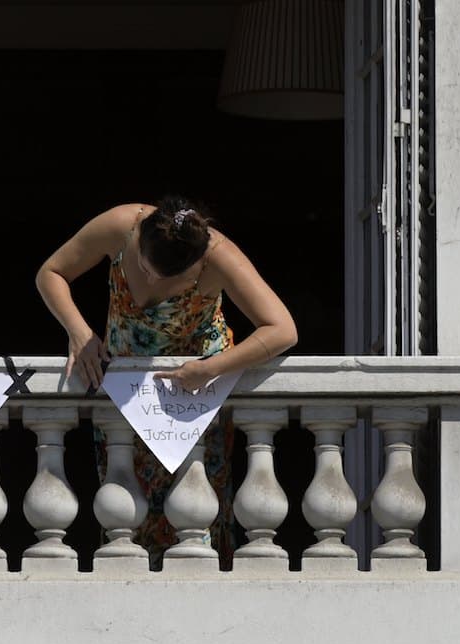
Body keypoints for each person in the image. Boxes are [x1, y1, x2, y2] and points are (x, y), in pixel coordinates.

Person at [35, 194, 298, 568]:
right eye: (143, 268)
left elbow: (282, 329)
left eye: (165, 277)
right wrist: (79, 331)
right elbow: (51, 272)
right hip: (128, 398)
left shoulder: (219, 255)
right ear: (139, 238)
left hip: (193, 398)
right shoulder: (121, 224)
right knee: (125, 509)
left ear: (197, 265)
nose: (149, 279)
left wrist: (211, 369)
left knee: (197, 509)